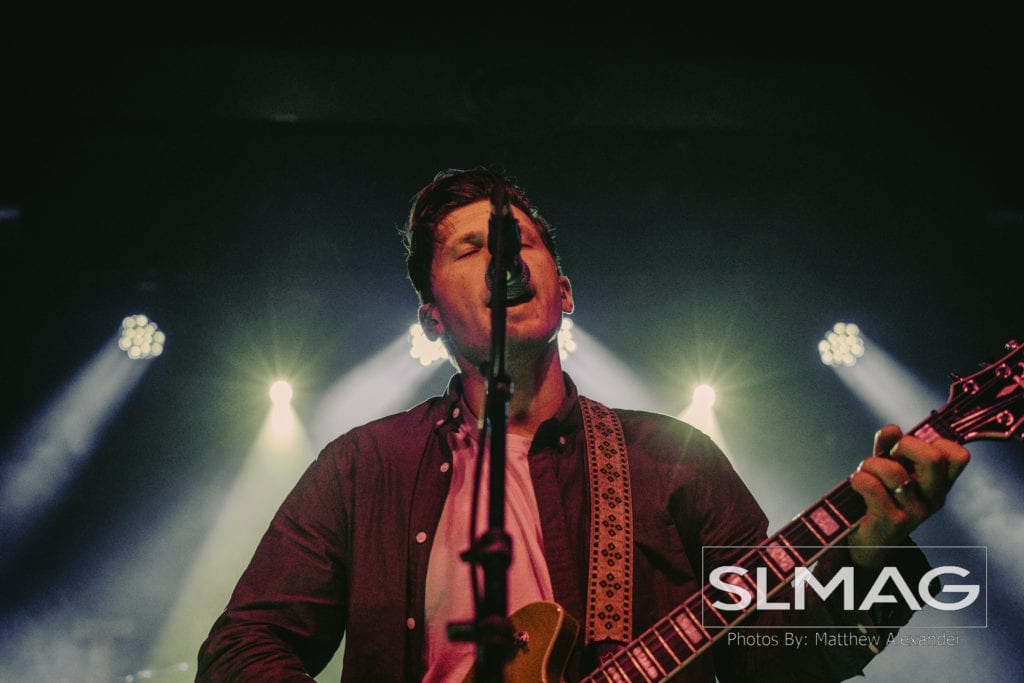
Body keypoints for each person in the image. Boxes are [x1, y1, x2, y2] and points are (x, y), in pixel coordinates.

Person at [195, 167, 970, 682]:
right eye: (471, 248)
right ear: (431, 319)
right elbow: (240, 647)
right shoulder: (365, 466)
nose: (504, 258)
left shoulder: (672, 459)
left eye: (520, 243)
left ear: (563, 292)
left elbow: (782, 663)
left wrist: (872, 551)